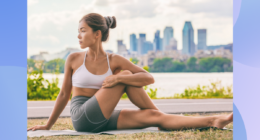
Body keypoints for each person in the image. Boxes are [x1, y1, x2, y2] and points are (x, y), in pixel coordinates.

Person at [27, 13, 233, 133]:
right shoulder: (74, 58)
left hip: (103, 117)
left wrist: (118, 77)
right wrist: (48, 125)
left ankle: (212, 120)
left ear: (97, 34)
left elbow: (148, 78)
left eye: (83, 30)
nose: (78, 34)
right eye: (79, 30)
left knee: (152, 116)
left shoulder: (114, 60)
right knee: (126, 74)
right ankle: (163, 115)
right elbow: (64, 94)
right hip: (82, 117)